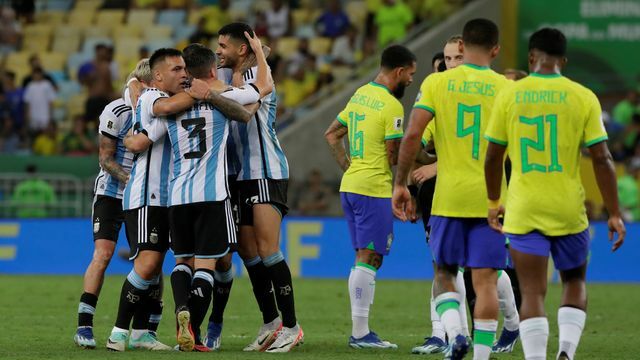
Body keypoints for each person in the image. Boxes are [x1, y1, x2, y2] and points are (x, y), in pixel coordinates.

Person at [484, 27, 626, 360]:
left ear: (531, 57)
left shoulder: (510, 94)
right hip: (568, 209)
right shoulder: (583, 95)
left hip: (523, 207)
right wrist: (615, 212)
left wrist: (493, 202)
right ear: (563, 60)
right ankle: (565, 352)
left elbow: (492, 157)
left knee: (532, 290)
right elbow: (603, 158)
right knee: (574, 280)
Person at [393, 18, 510, 360]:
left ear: (461, 47)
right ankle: (482, 356)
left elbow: (413, 136)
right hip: (491, 198)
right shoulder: (506, 88)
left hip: (449, 197)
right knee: (485, 280)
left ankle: (456, 333)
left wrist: (400, 184)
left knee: (444, 272)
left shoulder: (437, 83)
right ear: (496, 49)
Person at [216, 22, 303, 352]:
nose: (218, 50)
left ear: (240, 49)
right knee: (248, 251)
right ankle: (271, 323)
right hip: (242, 176)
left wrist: (211, 93)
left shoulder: (256, 79)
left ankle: (292, 327)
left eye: (223, 45)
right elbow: (256, 53)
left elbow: (245, 113)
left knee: (268, 250)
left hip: (266, 170)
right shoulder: (236, 75)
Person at [324, 44, 416, 349]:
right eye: (411, 74)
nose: (412, 81)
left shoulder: (360, 93)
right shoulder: (391, 105)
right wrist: (424, 158)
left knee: (364, 257)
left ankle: (361, 332)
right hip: (373, 189)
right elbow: (394, 156)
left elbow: (332, 134)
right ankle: (361, 334)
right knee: (370, 257)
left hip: (351, 186)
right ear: (400, 72)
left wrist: (349, 166)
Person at [73, 60, 145, 350]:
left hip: (142, 197)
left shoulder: (157, 108)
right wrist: (129, 179)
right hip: (112, 193)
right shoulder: (116, 111)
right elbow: (105, 158)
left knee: (147, 259)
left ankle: (144, 330)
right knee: (103, 254)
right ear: (139, 83)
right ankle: (84, 326)